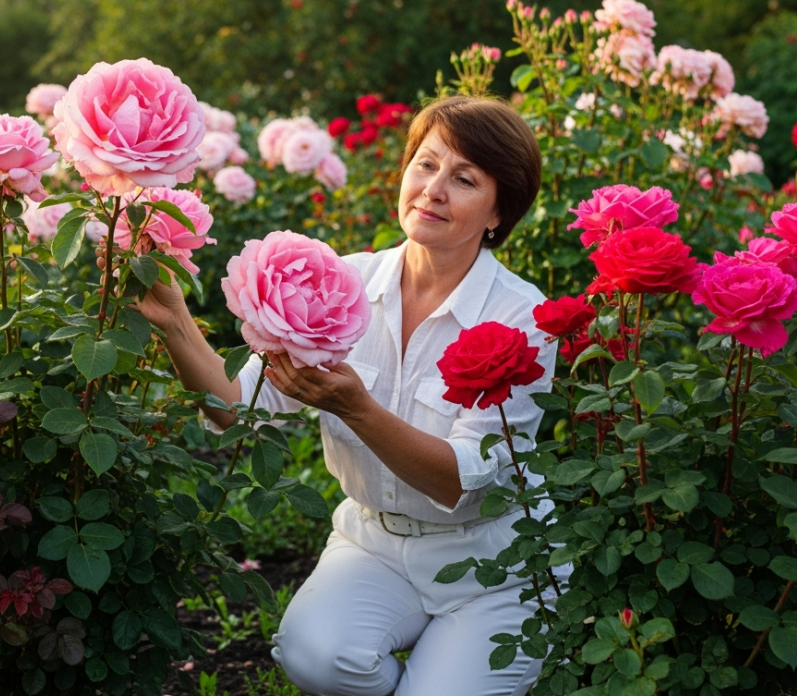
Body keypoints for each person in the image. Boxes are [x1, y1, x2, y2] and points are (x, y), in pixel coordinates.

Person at [139, 94, 558, 696]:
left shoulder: (523, 319)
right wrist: (175, 322)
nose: (433, 189)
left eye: (464, 178)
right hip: (377, 545)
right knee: (315, 655)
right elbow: (235, 409)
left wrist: (356, 409)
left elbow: (461, 482)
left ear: (499, 212)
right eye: (425, 164)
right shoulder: (345, 283)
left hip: (494, 568)